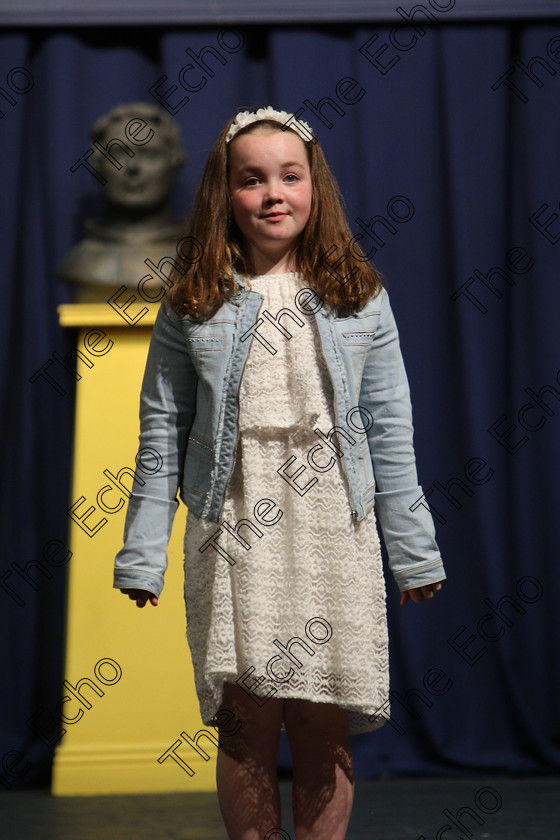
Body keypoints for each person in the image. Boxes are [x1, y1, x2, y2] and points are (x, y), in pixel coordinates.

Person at [113, 106, 446, 840]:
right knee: (246, 718)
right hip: (232, 524)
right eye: (252, 179)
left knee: (324, 716)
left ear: (315, 187)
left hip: (333, 522)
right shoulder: (194, 300)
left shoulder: (360, 297)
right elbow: (162, 434)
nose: (273, 193)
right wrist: (142, 554)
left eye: (290, 177)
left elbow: (392, 433)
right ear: (222, 194)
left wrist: (414, 550)